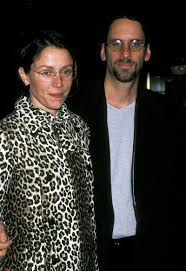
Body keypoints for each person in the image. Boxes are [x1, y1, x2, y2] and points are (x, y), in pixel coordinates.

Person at [67, 12, 186, 271]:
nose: (125, 54)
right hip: (89, 253)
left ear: (147, 53)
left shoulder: (169, 115)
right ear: (103, 52)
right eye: (116, 44)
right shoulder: (73, 113)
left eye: (135, 44)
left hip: (151, 254)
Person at [0, 30, 98, 271]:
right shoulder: (9, 133)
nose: (59, 83)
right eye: (46, 73)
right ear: (24, 75)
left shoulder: (79, 128)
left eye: (66, 71)